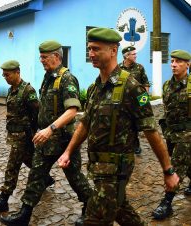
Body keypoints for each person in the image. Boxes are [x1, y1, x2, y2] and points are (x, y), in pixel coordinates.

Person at [58, 27, 179, 226]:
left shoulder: (131, 87)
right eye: (89, 49)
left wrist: (168, 170)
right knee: (121, 210)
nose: (91, 54)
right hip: (97, 167)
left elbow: (151, 131)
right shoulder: (94, 88)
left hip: (116, 170)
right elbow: (85, 123)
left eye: (96, 49)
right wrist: (68, 152)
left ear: (113, 50)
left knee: (94, 219)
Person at [0, 41, 92, 226]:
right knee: (36, 174)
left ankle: (90, 207)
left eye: (44, 57)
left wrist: (50, 129)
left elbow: (72, 110)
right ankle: (24, 214)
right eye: (40, 57)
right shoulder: (48, 77)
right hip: (46, 140)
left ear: (57, 57)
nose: (41, 60)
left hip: (63, 138)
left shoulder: (67, 79)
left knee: (75, 177)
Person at [0, 60, 54, 212]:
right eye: (3, 75)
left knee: (12, 166)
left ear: (17, 72)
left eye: (8, 75)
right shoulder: (11, 90)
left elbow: (37, 113)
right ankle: (45, 178)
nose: (5, 78)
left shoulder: (27, 91)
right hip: (14, 133)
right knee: (28, 159)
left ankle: (4, 198)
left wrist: (33, 133)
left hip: (23, 135)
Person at [152, 50, 191, 220]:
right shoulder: (167, 85)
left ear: (188, 64)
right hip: (171, 133)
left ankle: (166, 203)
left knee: (176, 165)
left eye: (179, 62)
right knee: (187, 162)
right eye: (173, 61)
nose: (173, 64)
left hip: (187, 135)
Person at [119, 46, 150, 154]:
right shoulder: (118, 68)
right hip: (123, 102)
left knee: (135, 124)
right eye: (133, 54)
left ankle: (136, 145)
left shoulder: (140, 68)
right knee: (123, 123)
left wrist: (143, 101)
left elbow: (145, 84)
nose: (136, 56)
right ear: (127, 56)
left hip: (136, 102)